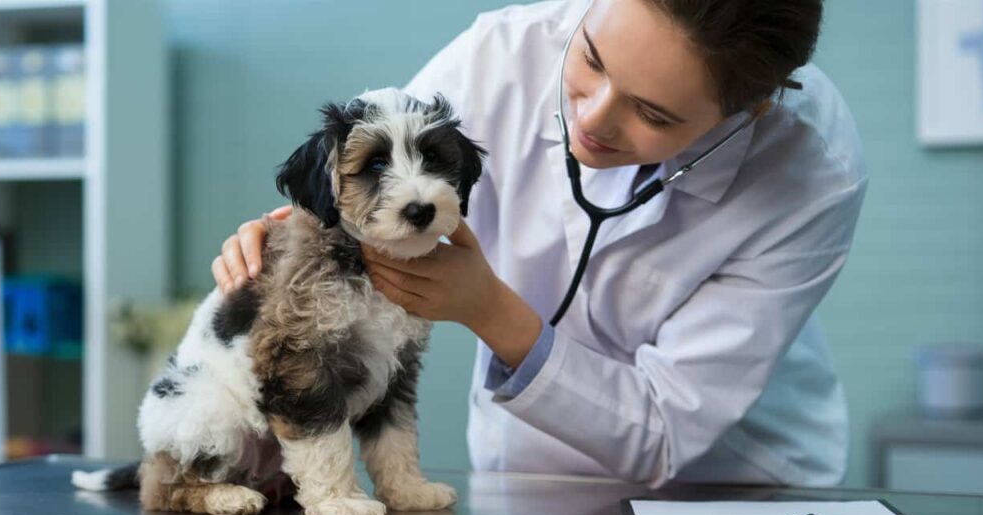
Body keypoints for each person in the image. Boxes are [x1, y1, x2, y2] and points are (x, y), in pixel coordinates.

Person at [212, 0, 867, 487]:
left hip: (731, 487)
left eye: (653, 114)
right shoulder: (505, 52)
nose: (592, 118)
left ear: (748, 110)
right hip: (523, 474)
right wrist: (293, 229)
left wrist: (488, 310)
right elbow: (369, 165)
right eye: (591, 59)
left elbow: (665, 429)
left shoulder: (811, 171)